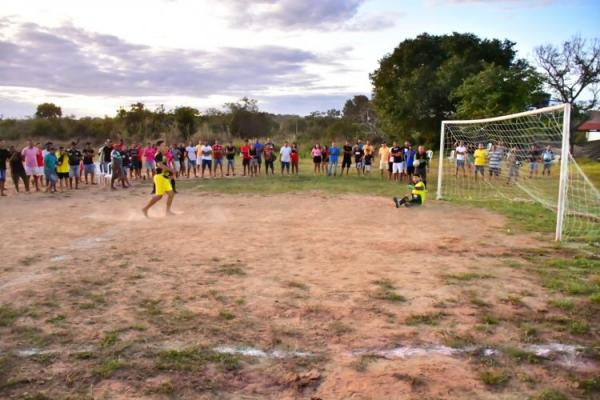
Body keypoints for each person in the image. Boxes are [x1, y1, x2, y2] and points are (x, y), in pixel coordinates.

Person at [142, 140, 176, 217]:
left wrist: (168, 174)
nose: (164, 146)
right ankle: (145, 209)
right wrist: (171, 170)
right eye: (163, 145)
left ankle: (167, 211)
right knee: (160, 196)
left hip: (163, 177)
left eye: (165, 145)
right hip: (160, 177)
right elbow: (160, 165)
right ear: (158, 147)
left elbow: (163, 166)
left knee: (169, 194)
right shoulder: (158, 154)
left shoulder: (161, 154)